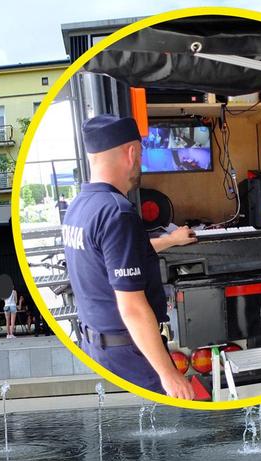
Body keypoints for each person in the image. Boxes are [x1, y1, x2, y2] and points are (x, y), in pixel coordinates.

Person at [62, 114, 198, 400]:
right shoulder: (118, 213)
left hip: (97, 345)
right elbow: (132, 308)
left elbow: (119, 257)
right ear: (132, 152)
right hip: (129, 354)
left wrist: (171, 240)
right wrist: (169, 374)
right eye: (141, 152)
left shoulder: (80, 206)